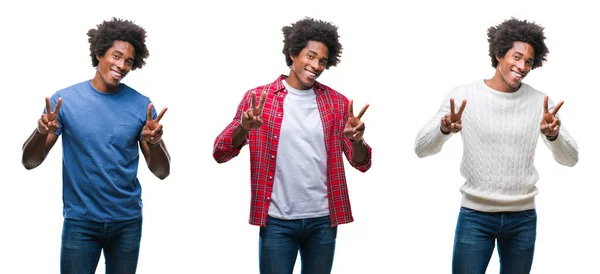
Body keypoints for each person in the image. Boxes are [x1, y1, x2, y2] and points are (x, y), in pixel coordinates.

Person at [415, 17, 579, 274]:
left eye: (529, 62)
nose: (522, 66)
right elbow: (421, 148)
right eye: (516, 57)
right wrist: (444, 129)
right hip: (475, 216)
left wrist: (553, 136)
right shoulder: (464, 95)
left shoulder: (539, 103)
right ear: (499, 54)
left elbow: (571, 159)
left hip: (522, 219)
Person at [213, 17, 372, 274]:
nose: (316, 65)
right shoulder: (259, 99)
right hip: (277, 222)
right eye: (310, 56)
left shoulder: (337, 103)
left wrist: (356, 140)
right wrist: (243, 127)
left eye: (322, 61)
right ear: (292, 53)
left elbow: (362, 163)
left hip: (323, 220)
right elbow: (220, 152)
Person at [21, 17, 170, 274]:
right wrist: (40, 131)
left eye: (129, 62)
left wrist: (154, 142)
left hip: (127, 222)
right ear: (99, 52)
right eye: (116, 56)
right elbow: (30, 162)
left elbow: (162, 172)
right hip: (80, 222)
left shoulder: (140, 106)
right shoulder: (64, 101)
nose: (121, 66)